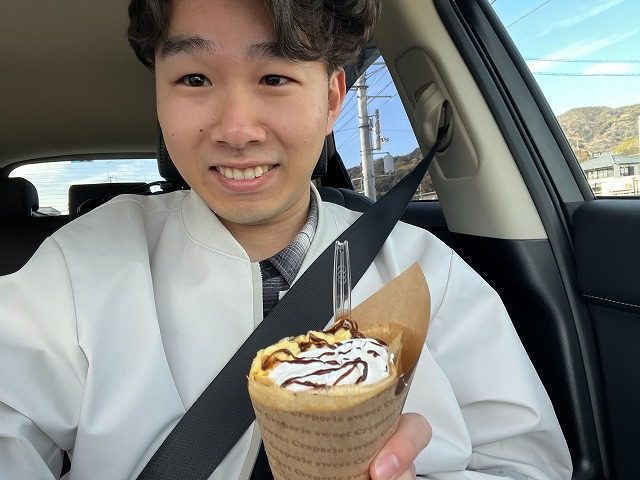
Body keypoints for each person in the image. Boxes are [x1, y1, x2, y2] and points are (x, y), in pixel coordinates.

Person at [0, 0, 572, 478]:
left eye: (275, 78)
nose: (237, 130)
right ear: (159, 96)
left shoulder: (425, 273)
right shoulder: (78, 265)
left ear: (332, 99)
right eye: (194, 79)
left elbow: (524, 461)